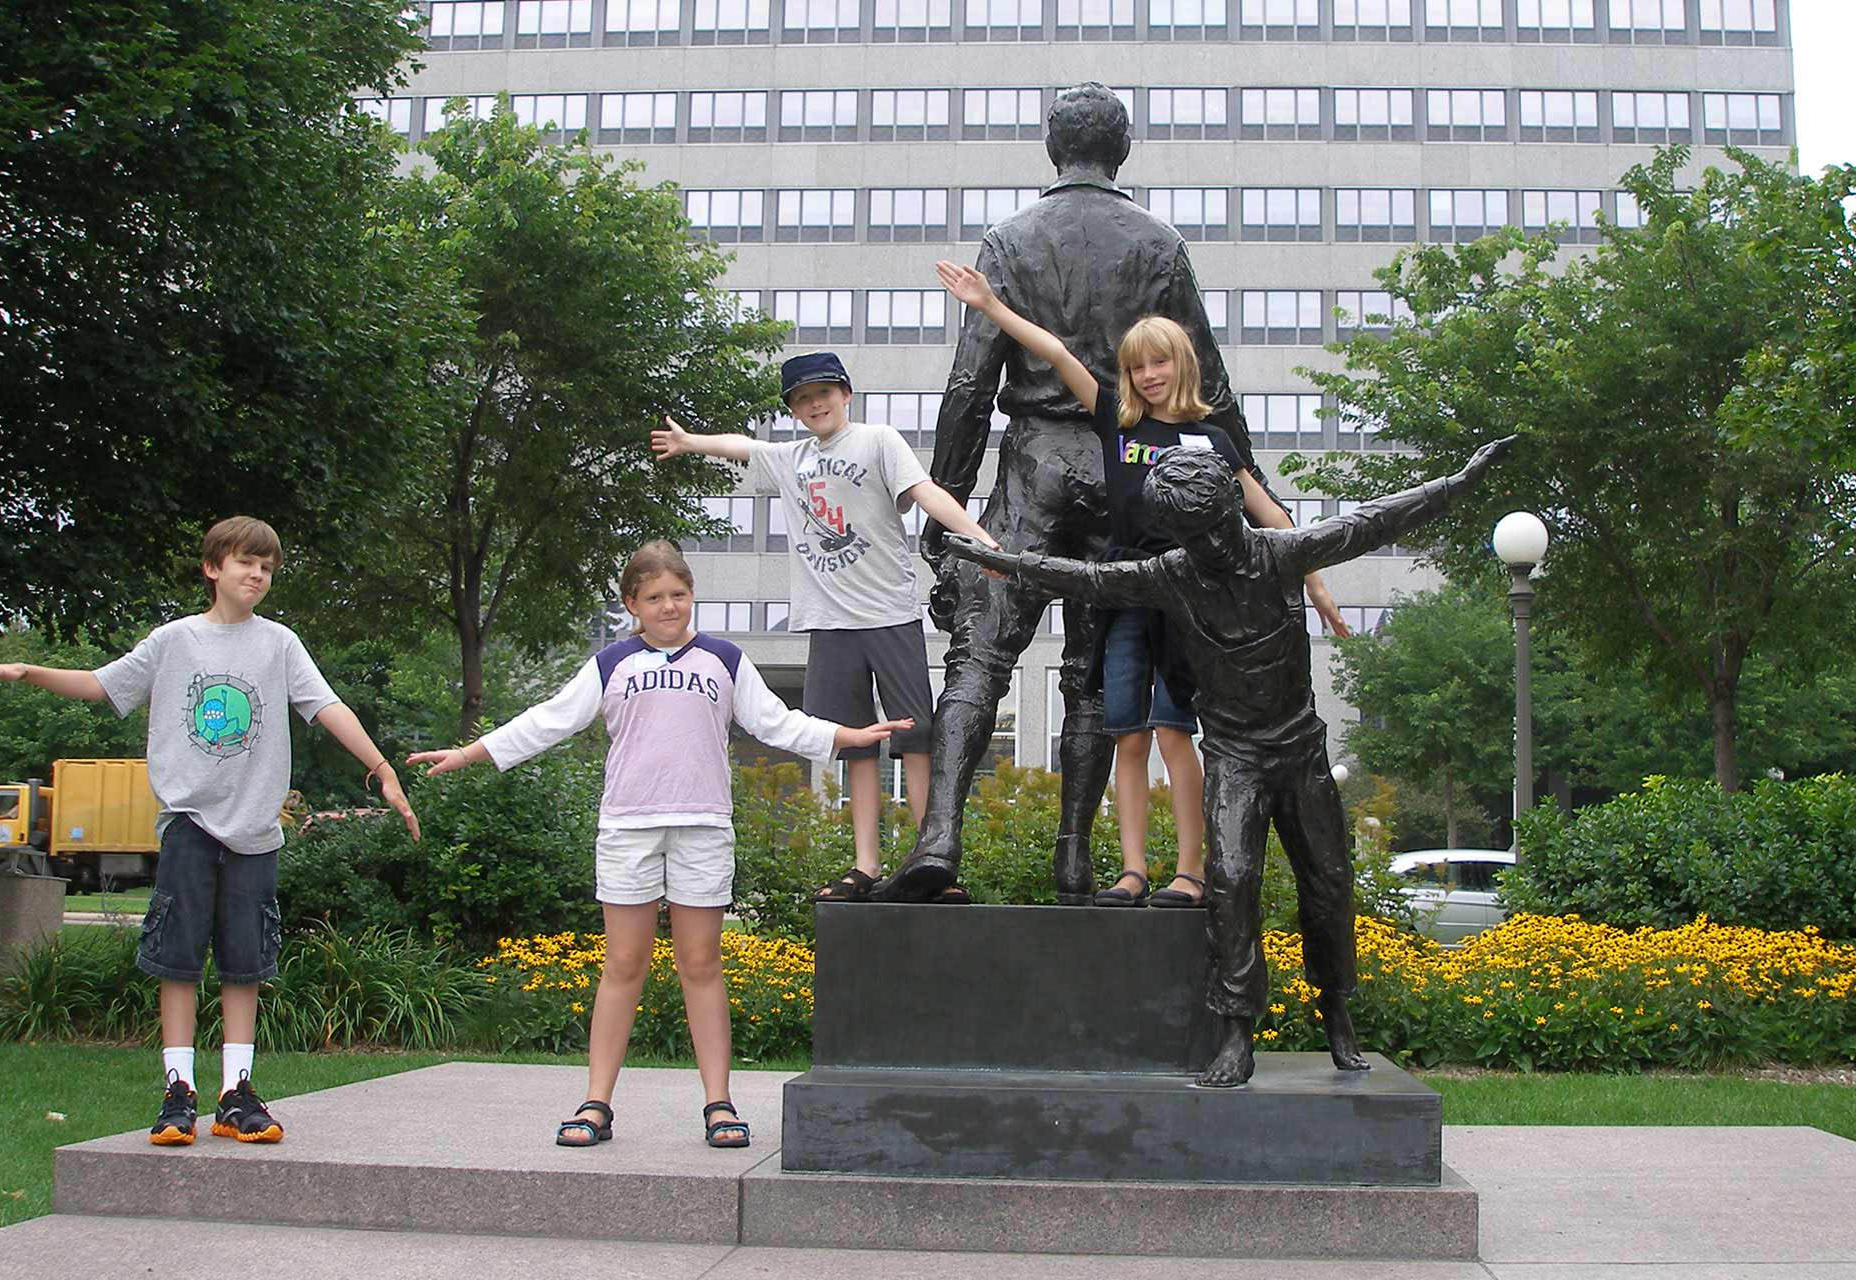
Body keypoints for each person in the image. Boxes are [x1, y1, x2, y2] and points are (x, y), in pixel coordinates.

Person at [943, 437, 1514, 1086]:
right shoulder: (1175, 573)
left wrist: (1463, 479)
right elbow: (1091, 579)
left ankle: (1337, 1015)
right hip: (1236, 758)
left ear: (1229, 516)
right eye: (1185, 536)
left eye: (1208, 533)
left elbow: (1377, 519)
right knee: (1233, 881)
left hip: (1300, 751)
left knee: (1327, 886)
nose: (1202, 549)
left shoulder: (1284, 553)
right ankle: (1236, 1030)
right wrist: (1001, 559)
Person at [879, 83, 1282, 904]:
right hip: (1130, 469)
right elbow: (1213, 387)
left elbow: (969, 386)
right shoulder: (1160, 245)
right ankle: (1076, 858)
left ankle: (941, 839)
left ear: (1052, 148)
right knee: (1093, 673)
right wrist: (1250, 497)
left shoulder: (1010, 241)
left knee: (981, 653)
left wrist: (944, 504)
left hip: (1034, 461)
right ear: (1122, 148)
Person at [409, 541, 908, 1148]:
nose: (669, 607)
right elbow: (548, 720)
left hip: (703, 828)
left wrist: (847, 735)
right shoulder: (610, 664)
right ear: (632, 605)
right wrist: (469, 752)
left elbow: (777, 722)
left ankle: (719, 1105)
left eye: (678, 594)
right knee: (623, 966)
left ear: (692, 595)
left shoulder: (725, 659)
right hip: (627, 830)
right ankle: (595, 1103)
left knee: (701, 965)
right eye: (654, 598)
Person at [0, 516, 422, 1146]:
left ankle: (237, 1094)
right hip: (189, 823)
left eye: (267, 567)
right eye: (245, 562)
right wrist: (26, 671)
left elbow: (328, 706)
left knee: (243, 962)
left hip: (254, 830)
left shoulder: (280, 644)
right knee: (178, 960)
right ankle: (178, 1092)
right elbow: (100, 685)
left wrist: (382, 768)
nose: (257, 574)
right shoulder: (173, 641)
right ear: (213, 568)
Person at [933, 261, 1348, 909]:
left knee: (1174, 733)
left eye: (1159, 364)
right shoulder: (1117, 424)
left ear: (1181, 366)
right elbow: (1054, 352)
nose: (1148, 377)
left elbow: (1271, 516)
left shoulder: (1212, 441)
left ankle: (1190, 871)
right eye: (1136, 368)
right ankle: (1131, 872)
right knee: (1125, 734)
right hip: (1129, 596)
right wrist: (988, 304)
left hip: (1191, 602)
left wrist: (1315, 586)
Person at [651, 352, 998, 904]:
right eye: (802, 399)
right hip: (830, 625)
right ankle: (864, 865)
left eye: (824, 393)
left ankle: (928, 859)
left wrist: (978, 537)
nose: (815, 404)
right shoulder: (791, 458)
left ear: (845, 394)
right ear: (793, 409)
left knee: (914, 740)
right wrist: (692, 442)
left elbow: (927, 493)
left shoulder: (878, 441)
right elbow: (743, 446)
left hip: (889, 616)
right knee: (851, 745)